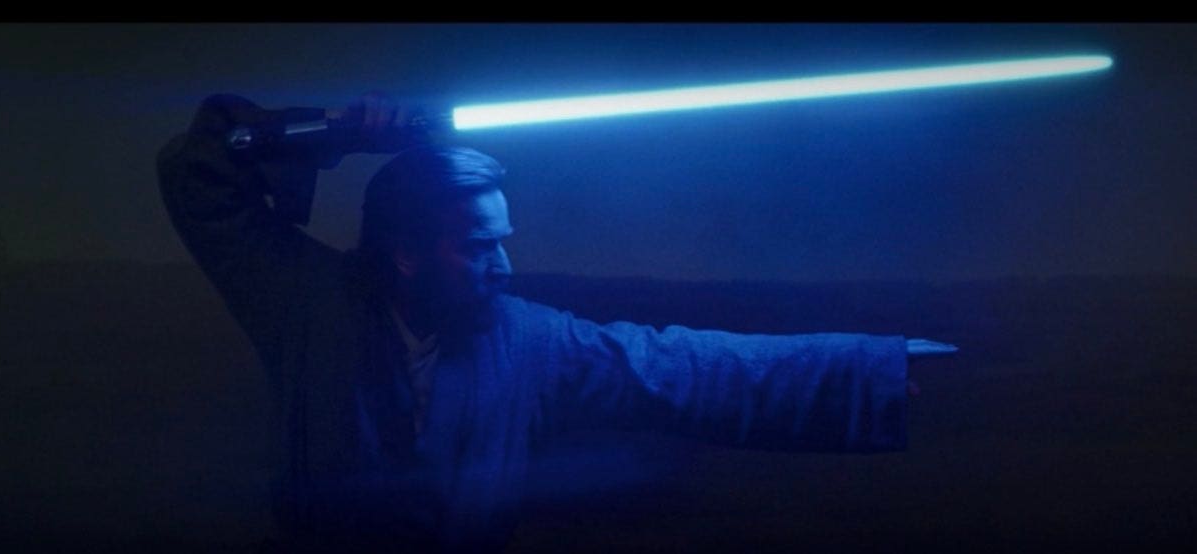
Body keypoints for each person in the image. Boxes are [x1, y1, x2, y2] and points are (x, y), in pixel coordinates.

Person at [156, 93, 956, 553]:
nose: (505, 266)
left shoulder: (526, 341)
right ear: (405, 254)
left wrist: (868, 369)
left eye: (504, 240)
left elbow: (677, 368)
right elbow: (197, 173)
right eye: (479, 246)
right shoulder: (309, 305)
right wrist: (339, 131)